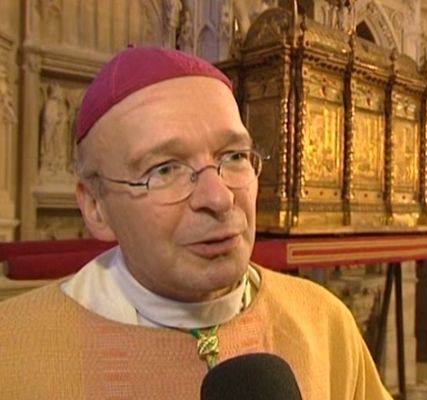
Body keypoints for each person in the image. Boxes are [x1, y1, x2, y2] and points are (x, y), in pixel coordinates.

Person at [0, 46, 393, 399]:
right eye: (166, 168)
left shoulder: (323, 322)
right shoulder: (14, 348)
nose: (219, 197)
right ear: (96, 208)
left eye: (235, 156)